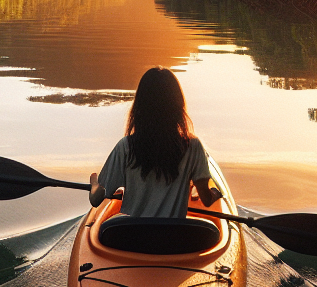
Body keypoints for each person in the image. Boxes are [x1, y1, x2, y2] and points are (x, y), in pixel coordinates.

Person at [89, 66, 222, 218]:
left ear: (140, 106)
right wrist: (215, 193)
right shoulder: (193, 146)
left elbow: (96, 199)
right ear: (178, 105)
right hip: (170, 237)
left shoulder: (126, 146)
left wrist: (94, 182)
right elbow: (206, 199)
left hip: (134, 237)